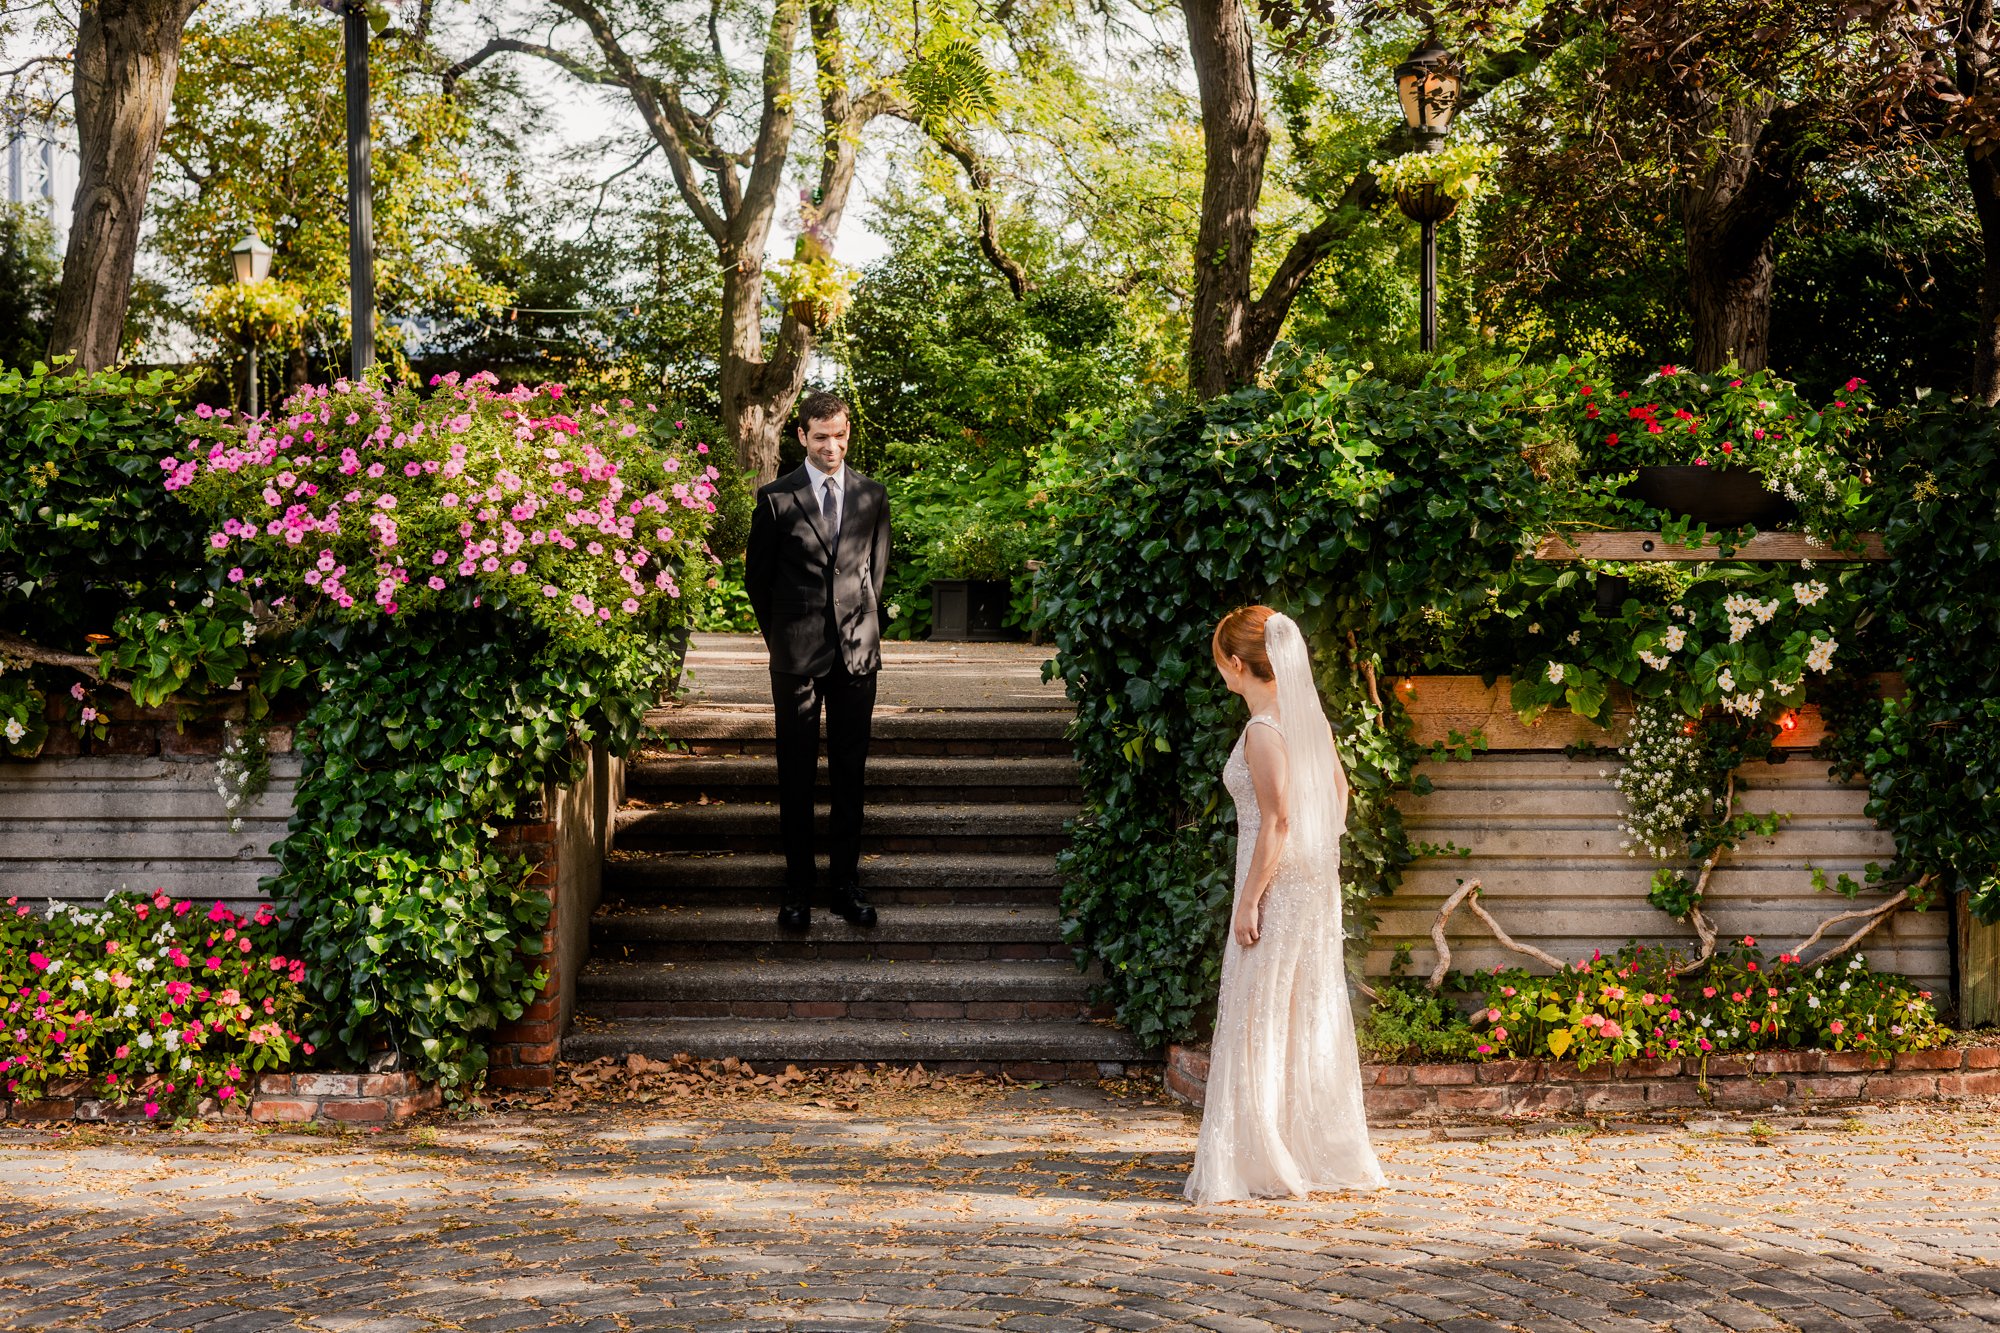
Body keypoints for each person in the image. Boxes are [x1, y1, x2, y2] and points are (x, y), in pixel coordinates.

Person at [1184, 605, 1385, 1205]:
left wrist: (1250, 899)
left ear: (1238, 664)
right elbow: (1339, 795)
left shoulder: (1264, 731)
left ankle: (1259, 1154)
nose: (1219, 673)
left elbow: (1277, 820)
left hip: (1276, 881)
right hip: (1308, 879)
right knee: (1298, 1005)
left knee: (1258, 1009)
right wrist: (1318, 859)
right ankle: (1293, 1142)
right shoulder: (1308, 721)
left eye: (1221, 662)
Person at [743, 390, 892, 932]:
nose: (833, 445)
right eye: (822, 436)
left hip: (857, 657)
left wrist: (865, 633)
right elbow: (758, 582)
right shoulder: (777, 499)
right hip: (796, 659)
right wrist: (783, 640)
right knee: (797, 775)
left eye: (841, 434)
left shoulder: (872, 496)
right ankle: (797, 888)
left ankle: (846, 885)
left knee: (850, 774)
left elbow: (874, 574)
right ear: (802, 436)